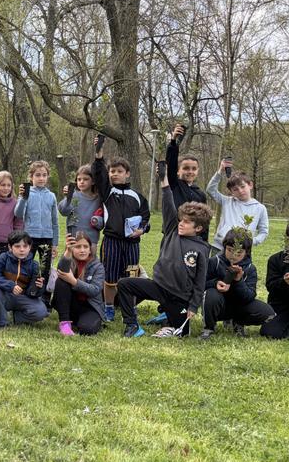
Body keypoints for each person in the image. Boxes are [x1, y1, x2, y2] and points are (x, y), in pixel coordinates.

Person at [116, 163, 211, 338]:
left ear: (198, 228)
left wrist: (193, 306)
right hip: (158, 287)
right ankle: (132, 325)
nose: (181, 224)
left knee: (182, 332)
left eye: (187, 222)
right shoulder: (172, 230)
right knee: (124, 284)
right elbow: (168, 202)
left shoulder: (202, 248)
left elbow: (200, 281)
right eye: (181, 220)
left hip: (179, 297)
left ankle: (168, 318)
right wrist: (164, 180)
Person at [92, 135, 151, 322]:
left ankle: (130, 308)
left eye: (119, 171)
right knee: (110, 277)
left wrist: (142, 230)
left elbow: (146, 219)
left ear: (127, 174)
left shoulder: (138, 197)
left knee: (131, 277)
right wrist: (99, 154)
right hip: (111, 242)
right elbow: (98, 173)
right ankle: (109, 307)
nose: (114, 174)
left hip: (132, 244)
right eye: (112, 171)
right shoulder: (108, 192)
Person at [199, 228, 275, 340]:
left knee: (268, 313)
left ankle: (238, 322)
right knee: (211, 295)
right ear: (224, 247)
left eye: (239, 252)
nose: (233, 255)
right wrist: (215, 283)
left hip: (239, 305)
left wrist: (238, 281)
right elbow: (200, 284)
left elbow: (250, 296)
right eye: (229, 250)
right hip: (219, 305)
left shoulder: (250, 268)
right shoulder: (215, 262)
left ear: (246, 252)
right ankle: (208, 327)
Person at [14, 160, 59, 300]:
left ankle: (44, 298)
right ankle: (24, 295)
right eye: (38, 175)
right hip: (30, 238)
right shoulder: (26, 194)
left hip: (47, 239)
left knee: (45, 269)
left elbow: (55, 222)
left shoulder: (51, 196)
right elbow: (18, 214)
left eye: (44, 175)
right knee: (26, 266)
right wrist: (23, 198)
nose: (41, 178)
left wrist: (55, 243)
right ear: (31, 177)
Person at [206, 161, 269, 255]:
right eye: (235, 189)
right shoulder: (227, 202)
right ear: (232, 192)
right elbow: (210, 190)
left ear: (250, 185)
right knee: (214, 265)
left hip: (242, 251)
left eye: (243, 186)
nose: (240, 191)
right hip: (219, 247)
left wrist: (252, 242)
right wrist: (220, 172)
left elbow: (263, 231)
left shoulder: (260, 208)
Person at [0, 231, 48, 327]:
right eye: (17, 246)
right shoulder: (4, 258)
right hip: (5, 294)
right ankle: (2, 322)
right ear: (10, 247)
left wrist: (38, 287)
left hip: (23, 297)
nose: (22, 249)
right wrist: (11, 286)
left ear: (30, 247)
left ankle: (16, 318)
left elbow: (32, 293)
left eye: (25, 246)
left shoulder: (34, 265)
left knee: (41, 311)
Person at [51, 231, 105, 336]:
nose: (82, 250)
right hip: (71, 303)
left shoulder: (98, 266)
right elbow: (61, 271)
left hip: (90, 306)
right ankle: (65, 324)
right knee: (61, 281)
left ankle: (81, 322)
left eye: (85, 247)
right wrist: (68, 251)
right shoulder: (69, 259)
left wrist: (73, 281)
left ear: (90, 249)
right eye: (78, 247)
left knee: (87, 330)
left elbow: (94, 290)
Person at [58, 165, 101, 251]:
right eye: (79, 179)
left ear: (93, 181)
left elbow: (102, 221)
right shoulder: (74, 196)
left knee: (91, 260)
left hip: (91, 240)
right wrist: (68, 198)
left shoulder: (98, 200)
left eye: (85, 179)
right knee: (71, 260)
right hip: (73, 239)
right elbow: (63, 211)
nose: (82, 182)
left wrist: (97, 221)